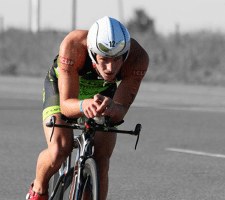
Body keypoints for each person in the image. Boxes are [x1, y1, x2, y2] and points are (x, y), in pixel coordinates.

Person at [26, 16, 149, 200]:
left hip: (103, 93)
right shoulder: (73, 45)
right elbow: (67, 105)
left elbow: (120, 111)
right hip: (65, 89)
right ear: (92, 53)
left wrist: (113, 108)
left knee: (101, 161)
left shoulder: (137, 58)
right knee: (60, 148)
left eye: (117, 60)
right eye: (104, 60)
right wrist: (83, 105)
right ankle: (39, 189)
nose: (110, 68)